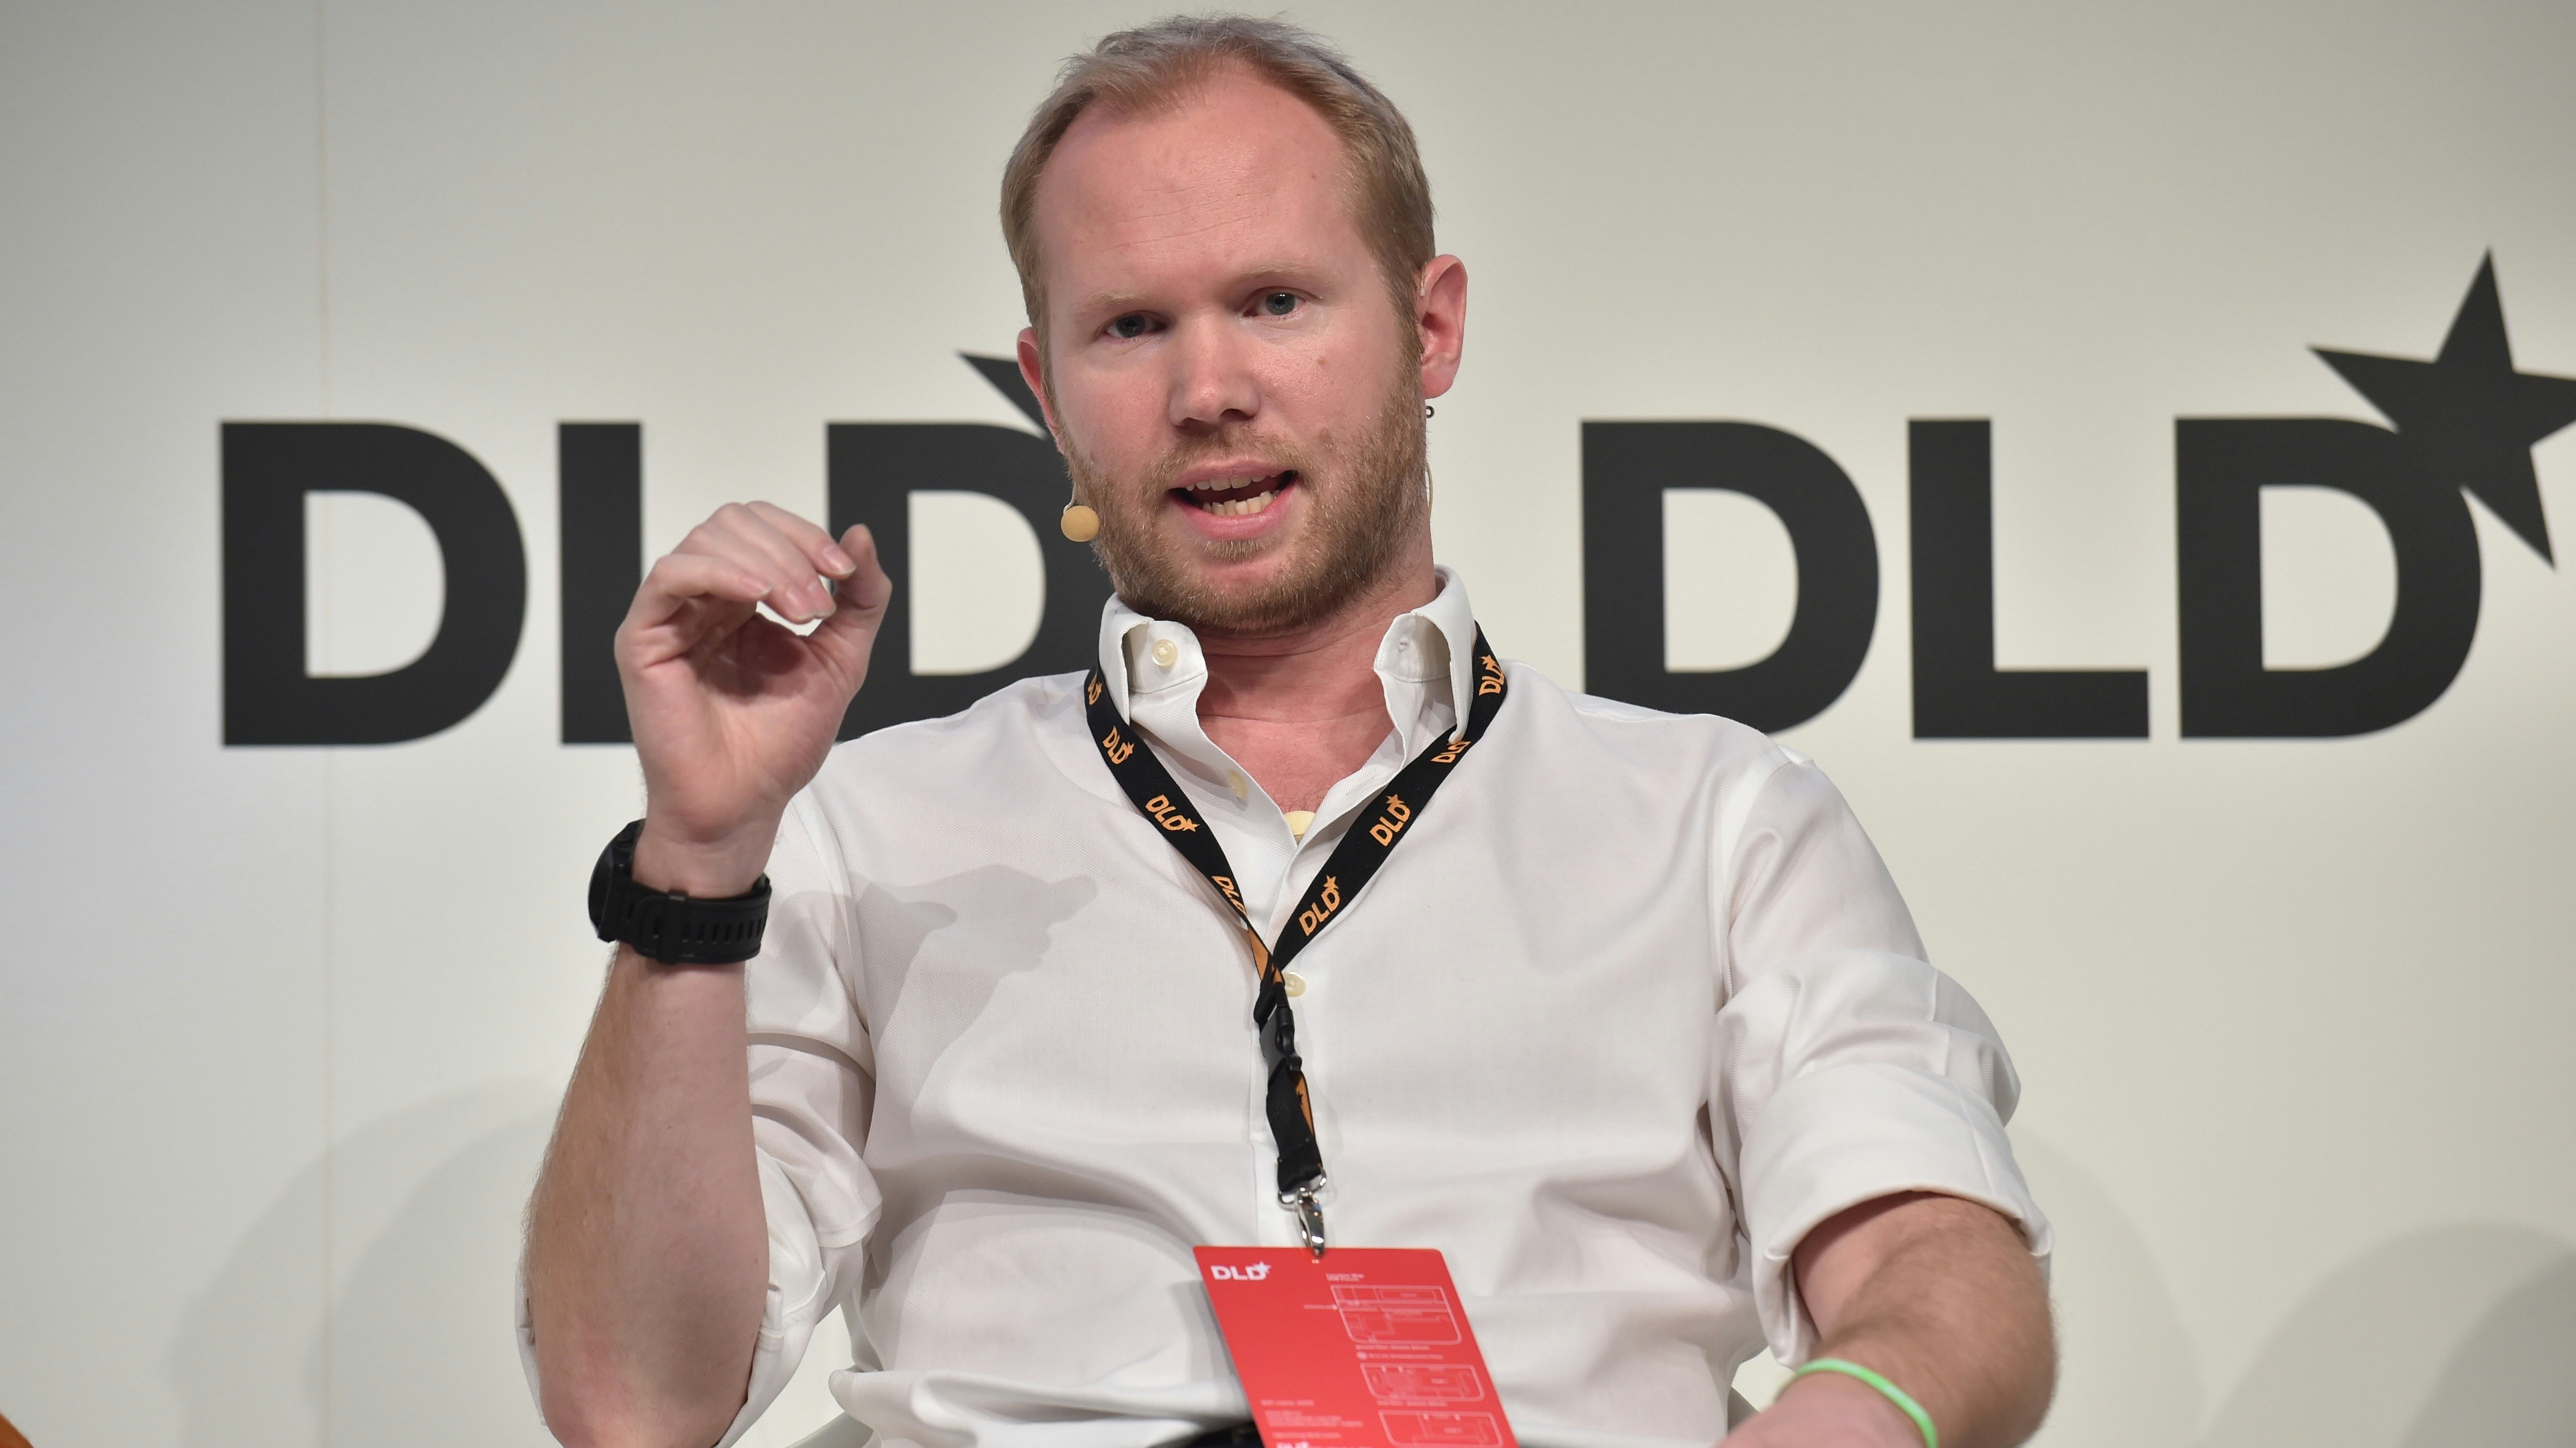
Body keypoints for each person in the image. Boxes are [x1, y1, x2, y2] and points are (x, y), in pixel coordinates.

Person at [521, 16, 2055, 1448]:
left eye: (1274, 302)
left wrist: (1839, 1422)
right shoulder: (869, 824)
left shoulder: (1716, 819)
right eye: (1132, 326)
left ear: (1431, 326)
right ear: (1048, 389)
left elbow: (1940, 1261)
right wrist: (702, 857)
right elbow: (633, 1403)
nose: (1209, 388)